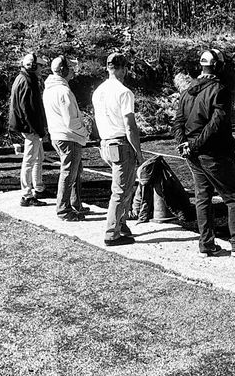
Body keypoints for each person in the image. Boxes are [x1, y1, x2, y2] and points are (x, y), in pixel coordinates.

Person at [174, 49, 235, 258]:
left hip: (193, 154)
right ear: (217, 66)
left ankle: (206, 244)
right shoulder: (220, 90)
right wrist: (194, 145)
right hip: (214, 153)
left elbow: (178, 121)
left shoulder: (187, 91)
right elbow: (215, 125)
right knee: (234, 198)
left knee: (203, 198)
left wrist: (184, 144)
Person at [92, 52, 142, 246]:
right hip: (120, 143)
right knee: (121, 190)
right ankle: (112, 233)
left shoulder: (98, 91)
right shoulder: (124, 92)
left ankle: (121, 224)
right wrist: (138, 153)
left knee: (123, 187)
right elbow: (130, 126)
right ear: (124, 69)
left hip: (106, 142)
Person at [43, 56, 90, 221]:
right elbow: (71, 121)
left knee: (74, 171)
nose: (73, 70)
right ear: (63, 70)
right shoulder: (63, 91)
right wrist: (85, 132)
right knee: (69, 173)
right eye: (70, 67)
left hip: (59, 135)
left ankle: (75, 204)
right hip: (68, 136)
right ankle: (64, 210)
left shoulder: (50, 89)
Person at [9, 52, 49, 207]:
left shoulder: (23, 78)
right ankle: (26, 195)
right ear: (32, 66)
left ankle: (38, 187)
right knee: (30, 159)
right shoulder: (27, 81)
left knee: (38, 157)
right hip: (30, 126)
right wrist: (38, 130)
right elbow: (29, 110)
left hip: (28, 125)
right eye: (40, 66)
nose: (41, 69)